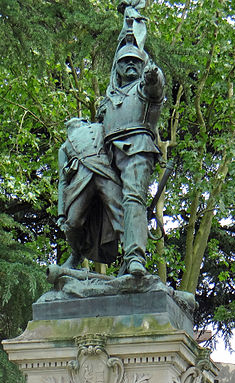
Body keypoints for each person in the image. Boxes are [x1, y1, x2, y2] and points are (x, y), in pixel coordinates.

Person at [97, 40, 165, 276]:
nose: (130, 65)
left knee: (133, 197)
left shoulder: (143, 88)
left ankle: (136, 256)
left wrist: (153, 75)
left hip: (136, 148)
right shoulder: (108, 98)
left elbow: (156, 86)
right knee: (106, 203)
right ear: (116, 67)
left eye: (135, 61)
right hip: (106, 155)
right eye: (125, 61)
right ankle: (117, 255)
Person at [57, 117, 124, 269]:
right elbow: (62, 181)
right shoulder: (64, 147)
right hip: (80, 181)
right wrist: (61, 213)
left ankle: (132, 257)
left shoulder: (101, 127)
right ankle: (76, 255)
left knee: (120, 215)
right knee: (73, 223)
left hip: (105, 171)